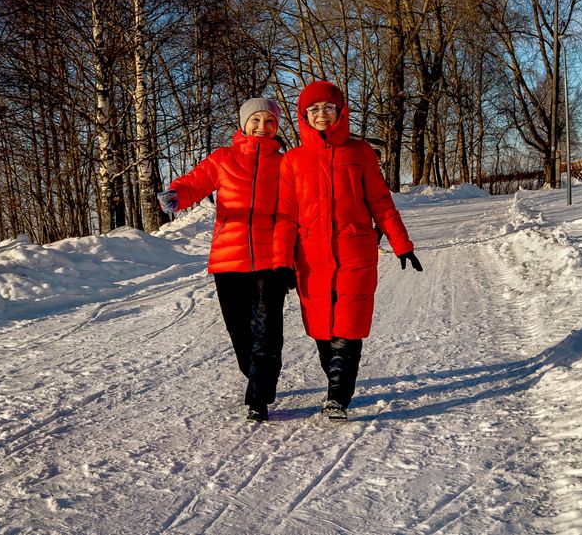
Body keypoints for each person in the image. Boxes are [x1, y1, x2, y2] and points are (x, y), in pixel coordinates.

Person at [274, 80, 421, 421]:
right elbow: (285, 217)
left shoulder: (360, 153)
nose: (321, 115)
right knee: (323, 330)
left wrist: (401, 243)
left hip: (356, 251)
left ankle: (337, 397)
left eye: (328, 108)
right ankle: (337, 384)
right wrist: (282, 262)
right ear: (303, 116)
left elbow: (380, 202)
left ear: (340, 112)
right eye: (314, 110)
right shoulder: (293, 161)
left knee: (348, 326)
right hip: (310, 258)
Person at [157, 98, 291, 423]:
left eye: (269, 121)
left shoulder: (286, 163)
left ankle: (260, 392)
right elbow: (194, 182)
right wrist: (177, 195)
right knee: (240, 331)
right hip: (229, 260)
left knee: (267, 328)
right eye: (256, 121)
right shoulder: (224, 158)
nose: (262, 127)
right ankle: (256, 375)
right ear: (244, 124)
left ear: (277, 126)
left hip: (270, 259)